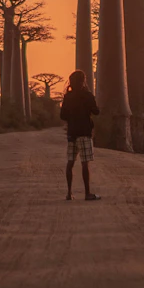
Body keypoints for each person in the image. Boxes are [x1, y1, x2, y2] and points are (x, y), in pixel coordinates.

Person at [59, 70, 100, 200]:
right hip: (84, 132)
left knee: (70, 162)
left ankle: (69, 193)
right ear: (83, 81)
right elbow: (96, 111)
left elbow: (62, 116)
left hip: (72, 133)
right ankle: (87, 193)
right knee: (84, 163)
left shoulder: (67, 97)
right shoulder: (87, 95)